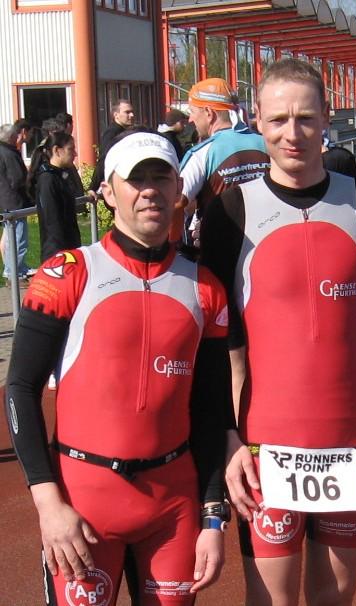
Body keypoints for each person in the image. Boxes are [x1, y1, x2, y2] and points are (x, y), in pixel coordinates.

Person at [200, 58, 356, 605]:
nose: (293, 133)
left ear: (328, 118)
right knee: (270, 600)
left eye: (306, 118)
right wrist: (228, 436)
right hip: (265, 441)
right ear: (257, 120)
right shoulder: (231, 211)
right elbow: (214, 345)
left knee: (336, 597)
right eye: (279, 119)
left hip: (350, 438)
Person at [5, 131, 232, 604]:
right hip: (83, 503)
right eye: (135, 179)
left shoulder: (205, 288)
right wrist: (48, 504)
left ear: (179, 190)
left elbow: (212, 409)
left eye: (160, 178)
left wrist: (213, 517)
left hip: (172, 507)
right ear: (108, 193)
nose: (149, 190)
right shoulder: (65, 274)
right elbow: (21, 388)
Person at [180, 78, 268, 221]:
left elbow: (177, 203)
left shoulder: (201, 154)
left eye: (192, 111)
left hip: (220, 234)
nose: (190, 119)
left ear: (208, 113)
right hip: (269, 231)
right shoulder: (267, 143)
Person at [27, 131, 81, 261]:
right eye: (70, 149)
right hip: (57, 252)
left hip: (69, 247)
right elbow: (52, 221)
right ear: (57, 150)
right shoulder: (48, 180)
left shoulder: (60, 175)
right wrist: (61, 256)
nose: (75, 154)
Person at [0, 123, 33, 280]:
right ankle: (14, 272)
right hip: (13, 201)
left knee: (10, 238)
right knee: (18, 238)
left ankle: (14, 269)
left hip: (5, 201)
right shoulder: (9, 153)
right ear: (11, 137)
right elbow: (17, 178)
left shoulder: (4, 151)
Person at [89, 99, 135, 193]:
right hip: (115, 186)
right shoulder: (112, 133)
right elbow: (104, 159)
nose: (132, 115)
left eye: (132, 112)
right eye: (127, 112)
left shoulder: (126, 132)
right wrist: (93, 187)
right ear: (116, 115)